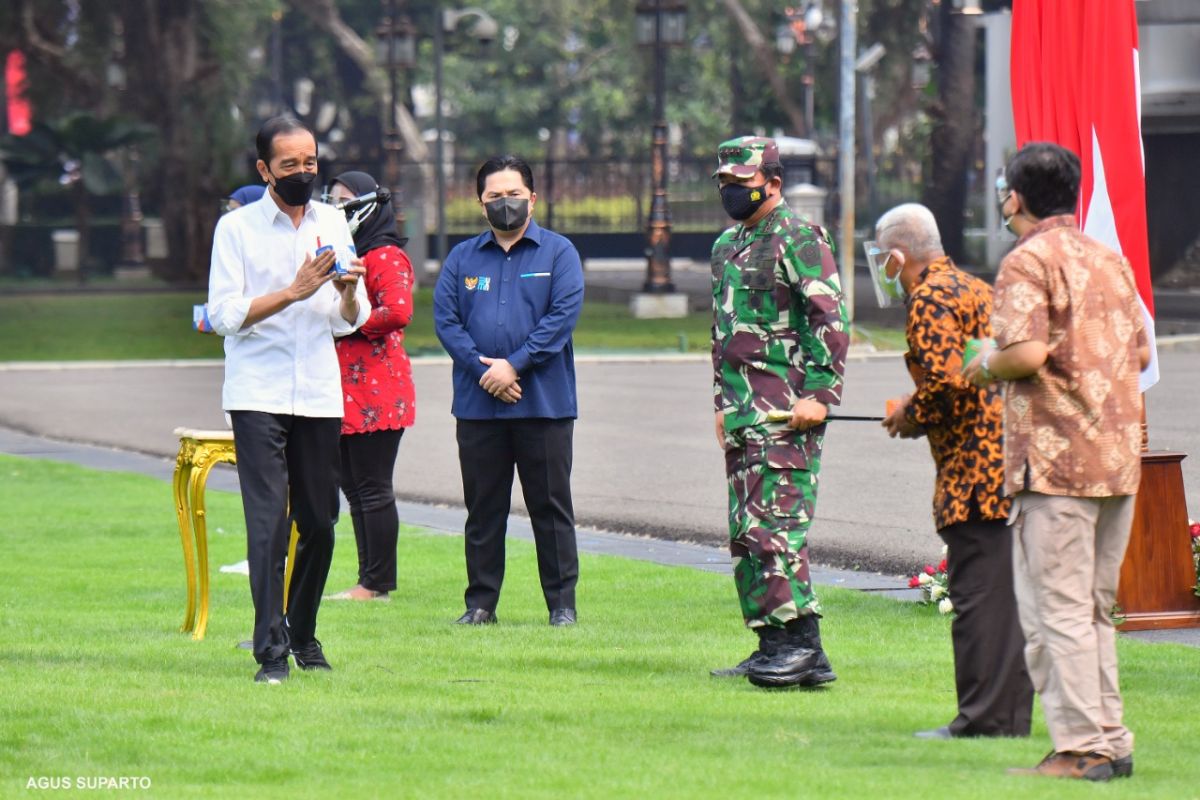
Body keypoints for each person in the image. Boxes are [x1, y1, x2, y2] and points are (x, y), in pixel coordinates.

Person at [964, 142, 1149, 781]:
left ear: (1011, 197)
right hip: (1118, 459)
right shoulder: (1109, 257)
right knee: (1094, 610)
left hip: (1055, 464)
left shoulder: (1027, 260)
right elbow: (1144, 354)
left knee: (1057, 611)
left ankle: (1083, 748)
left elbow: (1026, 354)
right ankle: (1110, 740)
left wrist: (983, 364)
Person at [207, 116, 368, 684]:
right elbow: (224, 315)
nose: (303, 173)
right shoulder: (238, 230)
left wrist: (347, 294)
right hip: (258, 393)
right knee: (268, 525)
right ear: (264, 170)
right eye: (290, 165)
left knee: (321, 523)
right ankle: (270, 652)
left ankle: (302, 631)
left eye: (311, 162)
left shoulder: (332, 221)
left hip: (320, 393)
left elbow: (354, 321)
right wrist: (293, 292)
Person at [871, 203, 1033, 738]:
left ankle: (981, 719)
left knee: (977, 600)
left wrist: (906, 414)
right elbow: (973, 371)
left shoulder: (929, 299)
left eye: (882, 259)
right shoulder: (975, 289)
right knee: (1006, 601)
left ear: (899, 256)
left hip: (973, 471)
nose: (882, 271)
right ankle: (1007, 716)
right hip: (1007, 458)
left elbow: (942, 387)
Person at [708, 136, 849, 688]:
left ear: (772, 181)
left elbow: (828, 322)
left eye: (740, 183)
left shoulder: (799, 236)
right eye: (724, 183)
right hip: (744, 412)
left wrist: (820, 395)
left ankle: (805, 647)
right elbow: (722, 334)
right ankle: (773, 643)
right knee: (747, 531)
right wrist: (721, 402)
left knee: (779, 528)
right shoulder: (726, 245)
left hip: (788, 410)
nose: (731, 192)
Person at [433, 155, 584, 627]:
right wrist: (486, 372)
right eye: (494, 197)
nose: (505, 204)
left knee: (551, 508)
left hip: (543, 405)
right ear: (481, 204)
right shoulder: (462, 258)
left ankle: (562, 606)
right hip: (479, 407)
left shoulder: (559, 254)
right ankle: (481, 604)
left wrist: (513, 366)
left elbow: (560, 319)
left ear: (532, 199)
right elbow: (447, 321)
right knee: (483, 509)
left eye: (513, 195)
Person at [323, 171, 416, 602]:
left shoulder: (383, 256)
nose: (334, 206)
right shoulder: (349, 254)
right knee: (354, 488)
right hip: (347, 392)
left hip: (376, 392)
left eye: (344, 200)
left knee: (372, 487)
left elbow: (398, 312)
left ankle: (377, 583)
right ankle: (369, 580)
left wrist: (347, 325)